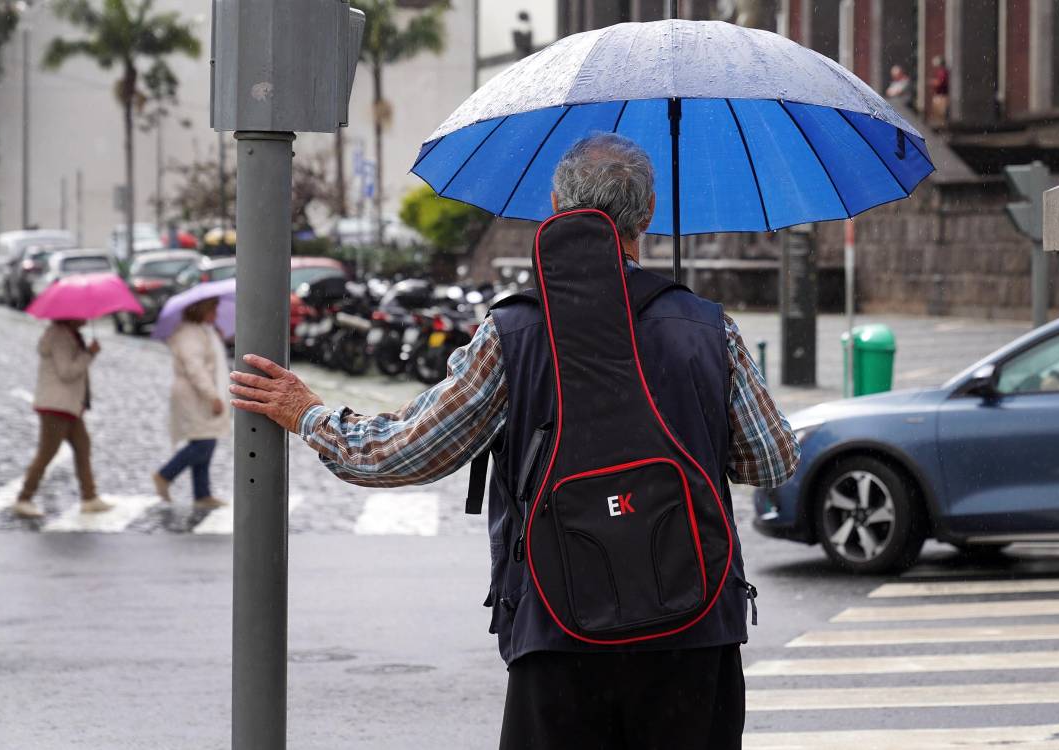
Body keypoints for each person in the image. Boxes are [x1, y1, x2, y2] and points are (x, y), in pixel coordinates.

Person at [229, 133, 800, 750]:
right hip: (694, 633)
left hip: (560, 632)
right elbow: (771, 460)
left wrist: (309, 415)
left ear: (555, 205)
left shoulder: (515, 331)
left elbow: (404, 452)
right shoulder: (709, 327)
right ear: (650, 213)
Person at [12, 319, 112, 519]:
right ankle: (24, 498)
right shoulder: (59, 335)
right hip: (56, 405)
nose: (85, 317)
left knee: (83, 446)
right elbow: (67, 371)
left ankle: (89, 497)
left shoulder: (71, 334)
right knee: (47, 452)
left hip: (69, 405)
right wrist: (89, 353)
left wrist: (87, 352)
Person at [152, 297, 230, 509]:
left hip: (199, 394)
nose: (217, 312)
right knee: (203, 442)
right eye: (213, 308)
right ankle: (164, 475)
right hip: (194, 395)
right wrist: (213, 395)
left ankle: (202, 494)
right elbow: (195, 369)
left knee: (204, 440)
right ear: (202, 309)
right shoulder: (188, 334)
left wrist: (215, 340)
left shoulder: (202, 331)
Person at [928, 55, 950, 124]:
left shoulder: (942, 72)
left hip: (941, 96)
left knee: (940, 113)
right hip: (939, 95)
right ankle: (939, 127)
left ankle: (941, 128)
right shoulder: (940, 71)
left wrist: (933, 82)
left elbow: (940, 82)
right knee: (938, 113)